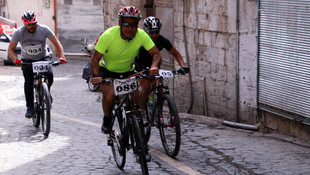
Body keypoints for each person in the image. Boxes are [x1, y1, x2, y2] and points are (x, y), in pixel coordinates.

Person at [90, 6, 162, 161]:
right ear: (120, 23)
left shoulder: (141, 35)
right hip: (108, 71)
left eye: (134, 25)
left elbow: (156, 53)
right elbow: (95, 59)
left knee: (135, 109)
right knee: (109, 95)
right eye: (126, 24)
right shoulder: (109, 35)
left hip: (128, 71)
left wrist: (154, 66)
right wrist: (96, 76)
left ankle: (141, 147)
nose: (130, 28)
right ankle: (107, 118)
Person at [8, 11, 66, 118]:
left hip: (43, 57)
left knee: (50, 75)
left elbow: (57, 43)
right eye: (29, 25)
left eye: (33, 24)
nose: (32, 26)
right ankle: (30, 107)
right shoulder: (18, 32)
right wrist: (16, 60)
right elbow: (10, 49)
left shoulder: (44, 29)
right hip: (27, 60)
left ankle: (46, 93)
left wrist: (61, 56)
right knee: (28, 82)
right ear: (25, 24)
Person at [135, 16, 189, 116]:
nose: (154, 35)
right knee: (145, 87)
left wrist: (183, 66)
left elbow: (176, 54)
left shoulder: (161, 40)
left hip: (154, 65)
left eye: (157, 32)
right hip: (140, 66)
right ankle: (142, 112)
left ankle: (158, 107)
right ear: (146, 31)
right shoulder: (140, 40)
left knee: (160, 87)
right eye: (151, 32)